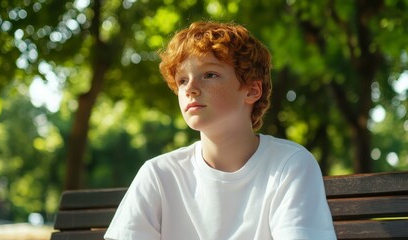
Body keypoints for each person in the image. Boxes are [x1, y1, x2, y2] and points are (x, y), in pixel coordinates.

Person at [104, 21, 336, 240]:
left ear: (252, 90)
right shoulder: (159, 174)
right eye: (182, 80)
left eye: (210, 75)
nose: (190, 89)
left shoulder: (290, 165)